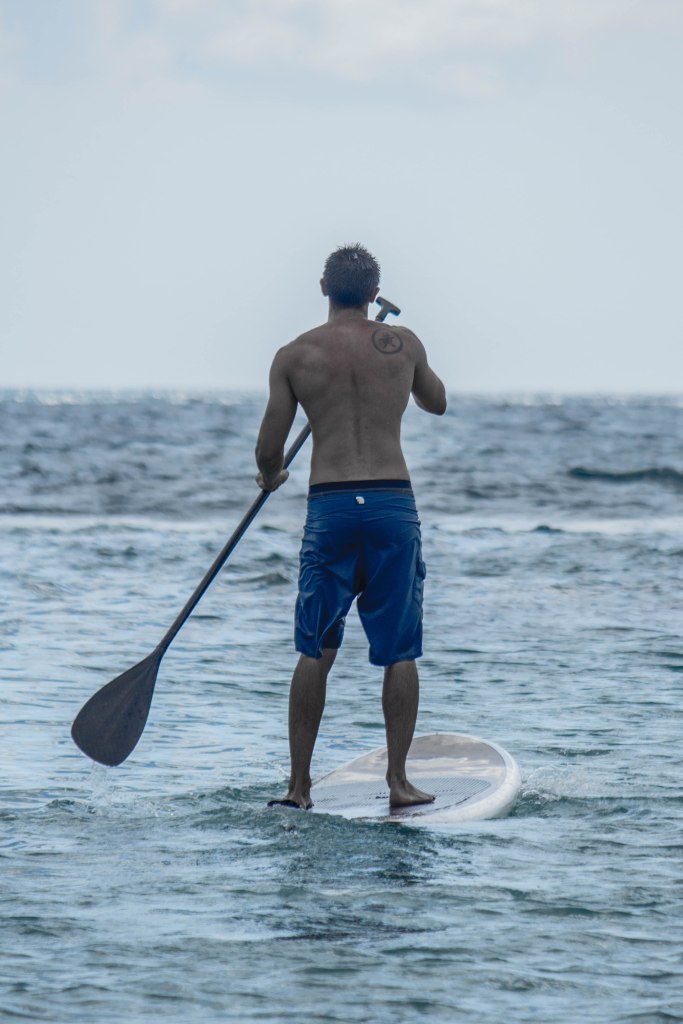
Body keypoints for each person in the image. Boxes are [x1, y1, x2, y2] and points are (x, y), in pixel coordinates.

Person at [255, 244, 447, 809]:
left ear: (323, 287)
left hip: (331, 507)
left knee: (315, 647)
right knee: (399, 651)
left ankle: (298, 788)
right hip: (391, 507)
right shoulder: (402, 343)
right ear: (372, 293)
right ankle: (399, 783)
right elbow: (436, 402)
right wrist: (404, 357)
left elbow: (269, 448)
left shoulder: (295, 355)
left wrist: (271, 476)